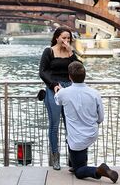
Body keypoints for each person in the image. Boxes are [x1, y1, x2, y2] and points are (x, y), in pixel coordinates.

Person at [54, 61, 119, 183]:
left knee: (79, 171)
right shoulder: (94, 93)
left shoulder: (64, 93)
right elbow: (100, 118)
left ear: (69, 77)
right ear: (85, 75)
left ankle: (99, 170)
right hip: (91, 134)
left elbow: (57, 100)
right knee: (78, 147)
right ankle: (75, 163)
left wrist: (59, 89)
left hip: (76, 139)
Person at [39, 26, 80, 170]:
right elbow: (42, 72)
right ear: (57, 37)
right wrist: (54, 85)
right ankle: (55, 157)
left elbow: (79, 69)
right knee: (54, 124)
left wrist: (71, 53)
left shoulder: (70, 53)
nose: (66, 41)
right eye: (64, 38)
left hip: (69, 88)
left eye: (68, 38)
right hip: (53, 89)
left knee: (71, 125)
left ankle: (72, 159)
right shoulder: (49, 51)